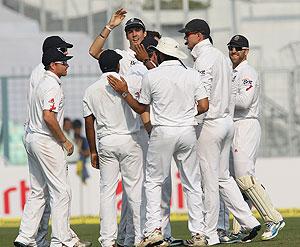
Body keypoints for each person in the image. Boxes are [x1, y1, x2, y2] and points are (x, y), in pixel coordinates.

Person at [107, 37, 209, 247]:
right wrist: (187, 112)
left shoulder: (152, 76)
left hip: (162, 132)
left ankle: (154, 230)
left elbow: (141, 107)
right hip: (187, 130)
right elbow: (204, 105)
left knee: (153, 182)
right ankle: (199, 233)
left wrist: (124, 91)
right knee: (192, 183)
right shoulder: (192, 75)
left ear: (160, 55)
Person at [178, 19, 261, 245]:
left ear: (199, 35)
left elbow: (202, 94)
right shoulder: (221, 57)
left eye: (188, 34)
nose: (185, 39)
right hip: (226, 122)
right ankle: (249, 221)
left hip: (210, 122)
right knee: (223, 177)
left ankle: (210, 233)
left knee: (209, 180)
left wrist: (190, 118)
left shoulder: (205, 58)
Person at [14, 48, 91, 247]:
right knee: (61, 191)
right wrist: (65, 140)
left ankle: (25, 237)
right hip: (46, 141)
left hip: (32, 137)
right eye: (63, 62)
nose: (67, 65)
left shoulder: (40, 82)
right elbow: (49, 116)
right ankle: (61, 240)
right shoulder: (51, 85)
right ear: (53, 65)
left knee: (38, 191)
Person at [223, 34, 285, 241]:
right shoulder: (231, 73)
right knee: (234, 179)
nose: (233, 52)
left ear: (246, 52)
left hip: (246, 124)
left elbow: (244, 101)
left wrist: (221, 98)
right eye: (231, 48)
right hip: (232, 125)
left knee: (244, 177)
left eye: (238, 49)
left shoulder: (247, 72)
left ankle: (273, 218)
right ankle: (242, 226)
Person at [83, 49, 144, 247]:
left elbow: (88, 123)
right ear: (118, 65)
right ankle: (139, 236)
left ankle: (108, 240)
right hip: (129, 140)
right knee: (134, 190)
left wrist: (93, 151)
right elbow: (142, 105)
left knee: (107, 193)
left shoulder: (91, 89)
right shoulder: (130, 82)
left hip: (106, 142)